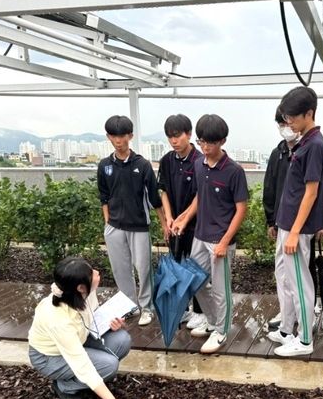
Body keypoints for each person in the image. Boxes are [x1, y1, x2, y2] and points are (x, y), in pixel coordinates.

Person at [172, 114, 248, 354]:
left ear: (222, 141)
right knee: (195, 282)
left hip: (220, 240)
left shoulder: (234, 171)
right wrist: (184, 219)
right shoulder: (199, 164)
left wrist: (225, 242)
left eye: (210, 143)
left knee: (220, 289)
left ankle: (221, 331)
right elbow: (199, 196)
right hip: (200, 236)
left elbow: (241, 209)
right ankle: (213, 321)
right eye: (201, 141)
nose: (205, 147)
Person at [266, 86, 323, 357]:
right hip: (287, 224)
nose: (288, 122)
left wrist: (293, 232)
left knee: (300, 281)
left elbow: (312, 191)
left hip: (297, 227)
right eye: (286, 117)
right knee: (286, 278)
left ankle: (305, 341)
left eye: (292, 117)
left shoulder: (314, 144)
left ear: (309, 113)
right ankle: (287, 329)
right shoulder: (305, 141)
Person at [28, 257, 131, 399]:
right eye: (92, 273)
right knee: (109, 365)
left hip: (79, 338)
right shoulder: (58, 320)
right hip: (49, 357)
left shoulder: (76, 293)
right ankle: (64, 386)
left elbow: (89, 319)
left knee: (122, 339)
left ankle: (91, 382)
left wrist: (112, 324)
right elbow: (81, 364)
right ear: (81, 287)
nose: (97, 273)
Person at [97, 115, 166, 326]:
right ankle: (129, 306)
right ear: (109, 137)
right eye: (114, 136)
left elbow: (155, 199)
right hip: (115, 227)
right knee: (120, 269)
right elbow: (104, 196)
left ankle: (147, 308)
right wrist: (108, 222)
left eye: (123, 136)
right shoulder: (104, 165)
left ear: (130, 136)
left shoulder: (142, 165)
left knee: (143, 268)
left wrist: (164, 224)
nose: (119, 141)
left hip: (139, 226)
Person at [158, 114, 206, 332]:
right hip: (175, 225)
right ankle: (183, 307)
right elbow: (164, 190)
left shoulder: (199, 160)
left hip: (195, 225)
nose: (174, 141)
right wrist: (168, 218)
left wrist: (185, 218)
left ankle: (200, 312)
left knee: (195, 266)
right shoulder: (167, 160)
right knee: (176, 265)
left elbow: (200, 195)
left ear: (188, 134)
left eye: (177, 136)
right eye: (170, 137)